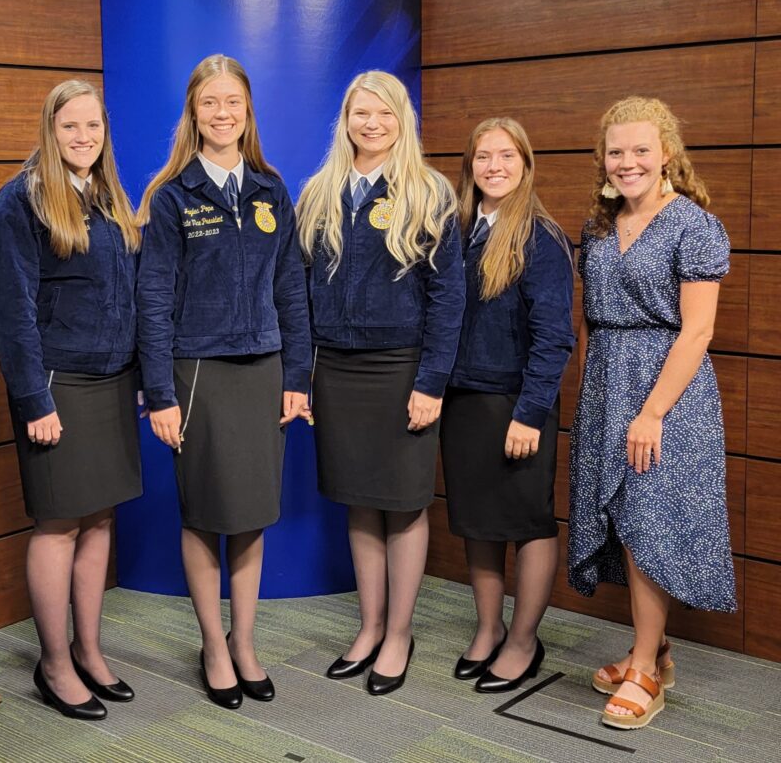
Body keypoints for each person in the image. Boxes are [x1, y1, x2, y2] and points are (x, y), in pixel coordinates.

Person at [135, 54, 312, 709]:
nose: (221, 113)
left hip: (263, 371)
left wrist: (297, 377)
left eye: (232, 101)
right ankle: (212, 644)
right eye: (209, 102)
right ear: (194, 112)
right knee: (206, 514)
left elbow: (292, 288)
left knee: (251, 516)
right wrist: (159, 393)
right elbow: (151, 298)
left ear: (247, 111)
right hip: (198, 374)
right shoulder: (173, 195)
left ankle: (245, 642)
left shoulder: (271, 189)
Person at [569, 96, 736, 730]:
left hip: (668, 397)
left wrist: (652, 412)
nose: (629, 161)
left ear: (667, 151)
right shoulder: (600, 225)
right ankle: (655, 647)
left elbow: (697, 332)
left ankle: (645, 668)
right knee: (621, 525)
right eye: (617, 151)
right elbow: (593, 317)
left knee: (649, 526)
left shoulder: (693, 226)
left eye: (642, 149)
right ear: (603, 159)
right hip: (607, 387)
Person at [295, 71, 464, 696]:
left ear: (402, 120)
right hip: (337, 371)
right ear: (345, 120)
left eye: (383, 114)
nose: (371, 124)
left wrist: (433, 381)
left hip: (403, 372)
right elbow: (299, 293)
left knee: (404, 503)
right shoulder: (318, 193)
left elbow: (448, 299)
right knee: (360, 501)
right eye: (360, 114)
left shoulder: (429, 192)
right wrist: (302, 376)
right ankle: (368, 628)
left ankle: (399, 634)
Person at [0, 81, 142, 721]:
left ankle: (89, 649)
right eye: (70, 127)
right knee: (57, 524)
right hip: (56, 387)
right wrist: (31, 400)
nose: (83, 138)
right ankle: (53, 664)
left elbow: (127, 296)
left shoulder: (108, 199)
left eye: (93, 127)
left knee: (99, 518)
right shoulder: (18, 203)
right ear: (49, 130)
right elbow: (14, 314)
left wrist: (135, 378)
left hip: (110, 382)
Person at [441, 118, 574, 693]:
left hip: (518, 404)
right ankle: (488, 629)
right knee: (479, 523)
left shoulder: (540, 237)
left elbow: (554, 337)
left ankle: (523, 641)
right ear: (469, 166)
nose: (493, 166)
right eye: (482, 157)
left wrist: (529, 412)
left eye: (506, 156)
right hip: (465, 400)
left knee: (527, 522)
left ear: (525, 163)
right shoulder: (460, 229)